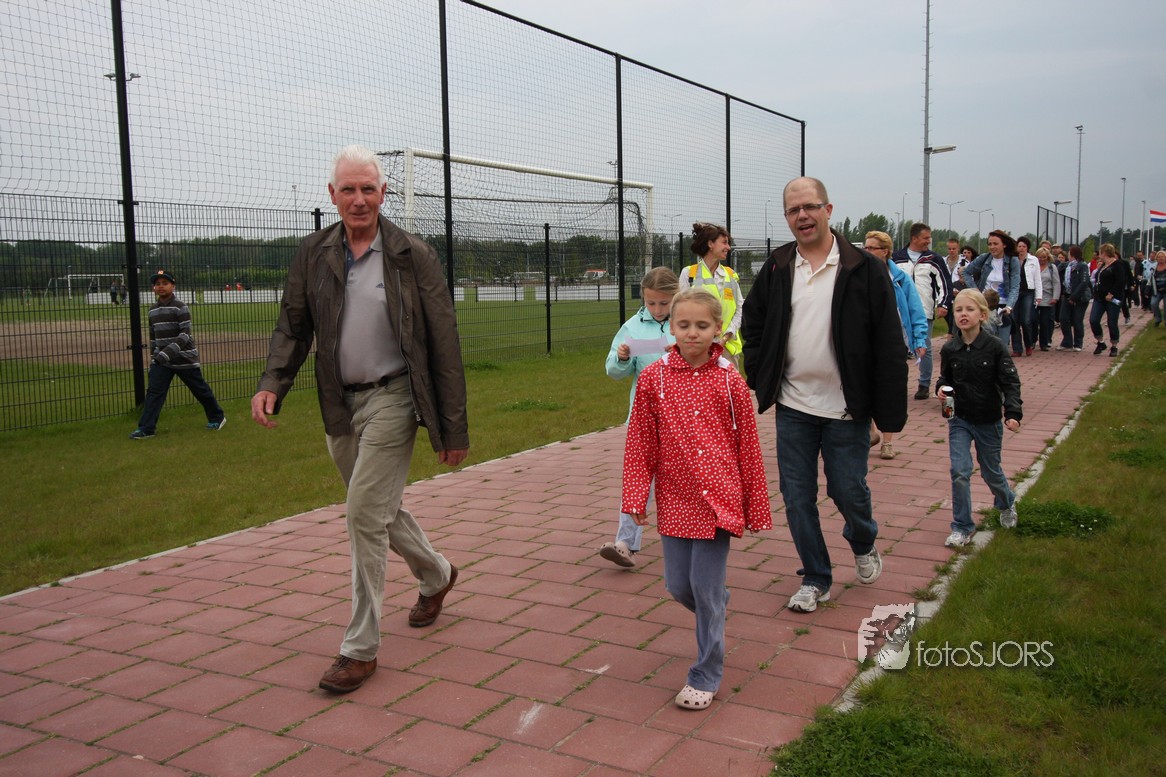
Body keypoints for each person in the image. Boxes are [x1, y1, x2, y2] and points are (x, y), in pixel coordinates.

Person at [251, 145, 467, 694]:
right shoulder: (313, 253)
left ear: (383, 193)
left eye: (368, 188)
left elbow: (443, 341)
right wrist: (273, 381)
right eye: (348, 189)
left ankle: (360, 649)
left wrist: (452, 427)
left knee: (362, 515)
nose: (358, 199)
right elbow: (293, 325)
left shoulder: (413, 255)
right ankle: (437, 573)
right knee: (376, 509)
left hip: (395, 397)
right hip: (338, 403)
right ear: (333, 195)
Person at [741, 177, 906, 613]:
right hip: (794, 404)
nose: (803, 216)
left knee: (847, 489)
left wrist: (889, 411)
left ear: (828, 210)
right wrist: (759, 373)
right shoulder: (778, 266)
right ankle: (816, 576)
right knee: (797, 497)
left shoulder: (863, 267)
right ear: (787, 217)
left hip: (846, 407)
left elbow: (888, 341)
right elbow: (753, 323)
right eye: (794, 210)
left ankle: (863, 539)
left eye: (810, 207)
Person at [622, 287, 771, 710]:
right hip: (675, 499)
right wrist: (635, 498)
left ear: (717, 329)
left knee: (704, 591)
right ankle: (716, 604)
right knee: (678, 586)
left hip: (717, 501)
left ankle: (706, 673)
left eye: (702, 325)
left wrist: (754, 506)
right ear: (671, 327)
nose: (692, 333)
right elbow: (640, 444)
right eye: (684, 325)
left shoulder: (730, 381)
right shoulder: (653, 379)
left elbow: (748, 447)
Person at [598, 266, 679, 568]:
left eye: (664, 303)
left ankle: (690, 536)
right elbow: (613, 371)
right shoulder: (632, 327)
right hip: (644, 419)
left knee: (681, 480)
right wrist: (620, 358)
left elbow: (708, 357)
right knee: (637, 479)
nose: (657, 309)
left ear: (676, 297)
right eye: (650, 302)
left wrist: (682, 351)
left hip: (682, 419)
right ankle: (625, 544)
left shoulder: (686, 322)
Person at [938, 288, 1023, 547]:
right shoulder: (949, 348)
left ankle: (1006, 501)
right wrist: (941, 389)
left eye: (969, 309)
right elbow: (945, 379)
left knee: (990, 472)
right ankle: (962, 526)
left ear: (983, 315)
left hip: (988, 420)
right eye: (958, 310)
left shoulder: (994, 347)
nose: (963, 314)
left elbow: (1010, 383)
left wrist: (1013, 413)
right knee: (959, 471)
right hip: (959, 419)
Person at [129, 270, 226, 439]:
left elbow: (184, 335)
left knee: (200, 390)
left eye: (165, 283)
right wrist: (154, 359)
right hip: (162, 361)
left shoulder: (180, 307)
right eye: (157, 284)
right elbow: (153, 338)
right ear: (153, 288)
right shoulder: (152, 311)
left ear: (173, 286)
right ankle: (146, 428)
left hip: (184, 359)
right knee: (154, 393)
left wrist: (165, 354)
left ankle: (217, 418)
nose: (161, 287)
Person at [864, 231, 927, 460]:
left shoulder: (900, 278)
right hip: (867, 342)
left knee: (890, 392)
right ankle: (870, 431)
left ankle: (888, 442)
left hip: (894, 342)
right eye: (865, 248)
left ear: (885, 251)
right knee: (864, 387)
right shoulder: (860, 275)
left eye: (872, 248)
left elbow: (915, 310)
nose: (867, 252)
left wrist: (920, 339)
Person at [892, 223, 951, 399]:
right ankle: (897, 383)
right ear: (914, 238)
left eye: (929, 237)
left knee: (924, 346)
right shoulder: (897, 258)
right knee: (898, 347)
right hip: (899, 312)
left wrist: (943, 304)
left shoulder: (934, 259)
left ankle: (924, 384)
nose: (928, 241)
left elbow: (944, 283)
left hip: (924, 311)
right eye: (926, 238)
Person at [678, 222, 743, 367]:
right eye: (724, 242)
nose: (728, 247)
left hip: (727, 349)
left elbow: (739, 309)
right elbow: (682, 312)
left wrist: (725, 337)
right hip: (698, 348)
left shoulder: (731, 275)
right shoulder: (689, 274)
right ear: (710, 244)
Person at [961, 230, 1021, 350]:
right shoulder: (984, 258)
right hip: (985, 306)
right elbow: (966, 272)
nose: (992, 247)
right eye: (990, 244)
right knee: (986, 343)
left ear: (1004, 245)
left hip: (1004, 308)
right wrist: (975, 290)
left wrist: (1009, 306)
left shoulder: (1012, 261)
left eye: (995, 244)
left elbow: (1015, 286)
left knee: (1002, 346)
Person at [1089, 243, 1124, 357]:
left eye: (1100, 252)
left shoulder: (1117, 265)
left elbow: (1120, 281)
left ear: (1104, 253)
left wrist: (1112, 293)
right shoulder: (1103, 265)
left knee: (1111, 322)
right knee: (1094, 320)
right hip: (1100, 297)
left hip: (1112, 298)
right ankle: (1100, 342)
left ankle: (1114, 345)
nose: (1099, 255)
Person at [1011, 236, 1043, 356]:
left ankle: (1029, 344)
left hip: (1028, 292)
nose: (1021, 248)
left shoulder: (1033, 260)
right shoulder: (1013, 259)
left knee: (1026, 320)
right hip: (1015, 292)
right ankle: (1017, 348)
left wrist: (1038, 295)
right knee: (1015, 320)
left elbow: (1037, 278)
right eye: (1019, 246)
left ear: (1027, 248)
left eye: (1024, 246)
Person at [1057, 245, 1090, 351]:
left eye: (1069, 252)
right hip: (1067, 295)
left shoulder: (1082, 266)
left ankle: (1078, 343)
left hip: (1079, 297)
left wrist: (1074, 297)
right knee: (1063, 318)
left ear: (1073, 254)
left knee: (1077, 320)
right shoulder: (1067, 265)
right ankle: (1067, 341)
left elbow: (1084, 282)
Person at [1034, 246, 1062, 351]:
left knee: (1044, 322)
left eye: (1044, 257)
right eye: (1040, 257)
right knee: (1032, 320)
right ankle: (1032, 340)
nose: (1042, 259)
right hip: (1035, 297)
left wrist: (1055, 297)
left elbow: (1056, 283)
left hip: (1047, 298)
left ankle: (1044, 343)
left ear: (1048, 257)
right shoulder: (1033, 267)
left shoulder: (1052, 268)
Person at [1149, 250, 1166, 327]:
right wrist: (1147, 290)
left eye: (1162, 256)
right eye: (1159, 257)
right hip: (1157, 290)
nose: (1161, 258)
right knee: (1153, 303)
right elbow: (1150, 280)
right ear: (1157, 258)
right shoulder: (1153, 268)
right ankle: (1158, 319)